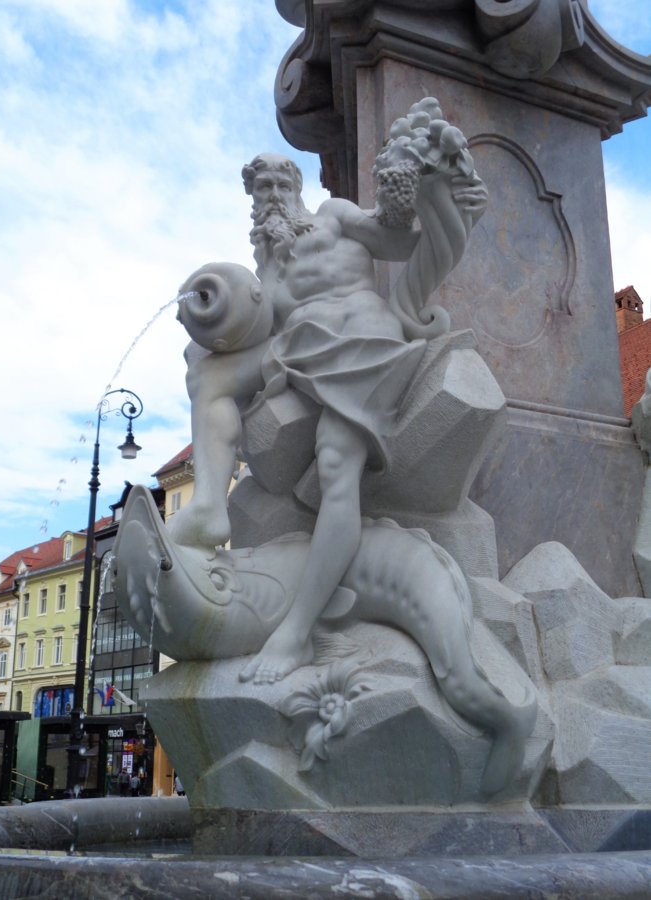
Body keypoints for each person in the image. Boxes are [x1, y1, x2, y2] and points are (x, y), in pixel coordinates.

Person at [174, 106, 487, 687]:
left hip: (359, 341)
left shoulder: (333, 218)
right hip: (295, 351)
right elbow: (247, 328)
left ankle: (296, 631)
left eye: (278, 185)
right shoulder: (265, 270)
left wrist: (418, 186)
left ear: (297, 190)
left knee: (337, 466)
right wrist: (207, 311)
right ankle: (210, 503)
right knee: (205, 374)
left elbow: (398, 236)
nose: (270, 196)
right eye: (259, 188)